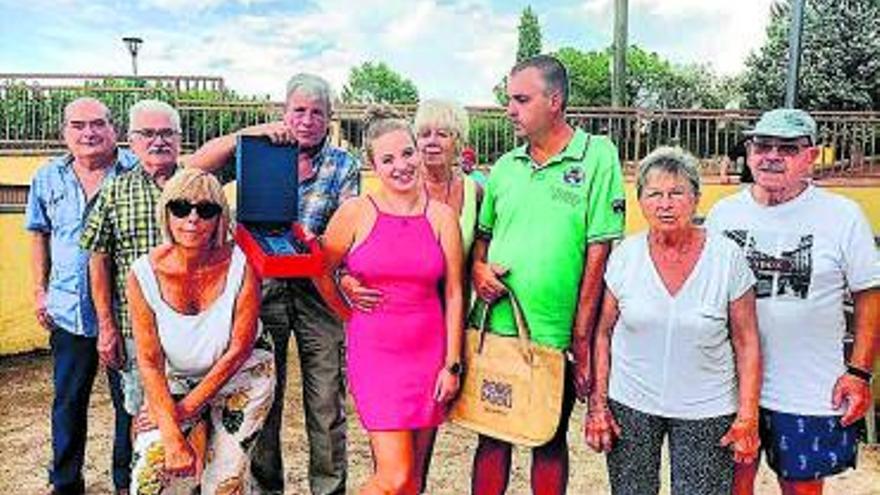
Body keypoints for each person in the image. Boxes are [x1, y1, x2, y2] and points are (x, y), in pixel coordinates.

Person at [189, 72, 360, 495]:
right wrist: (248, 133)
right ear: (284, 112)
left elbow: (347, 225)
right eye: (298, 110)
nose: (306, 120)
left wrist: (311, 248)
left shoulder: (343, 164)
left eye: (317, 113)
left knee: (326, 401)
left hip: (319, 287)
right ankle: (268, 488)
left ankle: (329, 488)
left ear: (329, 119)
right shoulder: (255, 149)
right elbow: (193, 169)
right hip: (259, 288)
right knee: (263, 395)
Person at [470, 54, 626, 494]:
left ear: (554, 100)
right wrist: (479, 270)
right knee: (492, 437)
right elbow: (481, 239)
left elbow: (599, 252)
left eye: (521, 99)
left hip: (554, 336)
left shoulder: (597, 156)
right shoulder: (504, 167)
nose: (510, 109)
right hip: (497, 329)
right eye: (509, 100)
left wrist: (581, 335)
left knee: (549, 438)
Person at [705, 108, 880, 495]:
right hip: (727, 383)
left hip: (806, 387)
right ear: (749, 153)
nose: (771, 155)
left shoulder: (842, 217)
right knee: (732, 484)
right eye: (762, 145)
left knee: (801, 487)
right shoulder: (723, 214)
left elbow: (870, 296)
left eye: (787, 148)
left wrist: (859, 372)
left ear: (811, 156)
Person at [585, 146, 762, 495]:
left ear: (696, 198)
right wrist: (598, 405)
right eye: (654, 194)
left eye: (677, 193)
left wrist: (747, 416)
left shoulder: (726, 257)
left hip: (707, 408)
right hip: (631, 402)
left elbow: (747, 341)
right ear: (640, 201)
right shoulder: (624, 257)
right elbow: (603, 333)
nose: (665, 204)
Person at [313, 108, 464, 494]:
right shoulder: (356, 212)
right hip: (376, 355)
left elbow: (454, 292)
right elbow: (321, 269)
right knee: (393, 476)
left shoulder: (442, 217)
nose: (401, 166)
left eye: (407, 153)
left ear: (418, 152)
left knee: (412, 482)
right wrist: (345, 308)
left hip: (430, 356)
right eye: (388, 159)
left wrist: (452, 364)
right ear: (373, 166)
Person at [127, 168, 275, 493]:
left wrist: (186, 410)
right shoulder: (143, 274)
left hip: (243, 375)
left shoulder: (243, 263)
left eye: (205, 210)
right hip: (178, 376)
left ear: (219, 218)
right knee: (151, 473)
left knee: (223, 478)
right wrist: (170, 431)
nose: (192, 219)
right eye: (181, 208)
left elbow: (239, 348)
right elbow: (149, 362)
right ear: (165, 212)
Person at [25, 97, 138, 495]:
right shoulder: (47, 176)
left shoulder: (136, 172)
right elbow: (39, 233)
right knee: (68, 401)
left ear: (115, 131)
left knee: (130, 403)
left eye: (97, 124)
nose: (88, 133)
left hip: (125, 313)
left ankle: (128, 481)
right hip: (68, 311)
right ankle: (66, 482)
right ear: (64, 133)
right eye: (78, 125)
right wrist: (39, 291)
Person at [80, 99, 183, 419]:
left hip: (193, 328)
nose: (159, 141)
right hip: (135, 330)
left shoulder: (198, 186)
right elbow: (98, 261)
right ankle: (135, 472)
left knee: (195, 416)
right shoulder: (114, 192)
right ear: (132, 141)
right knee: (141, 419)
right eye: (148, 133)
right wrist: (106, 327)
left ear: (179, 139)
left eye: (168, 133)